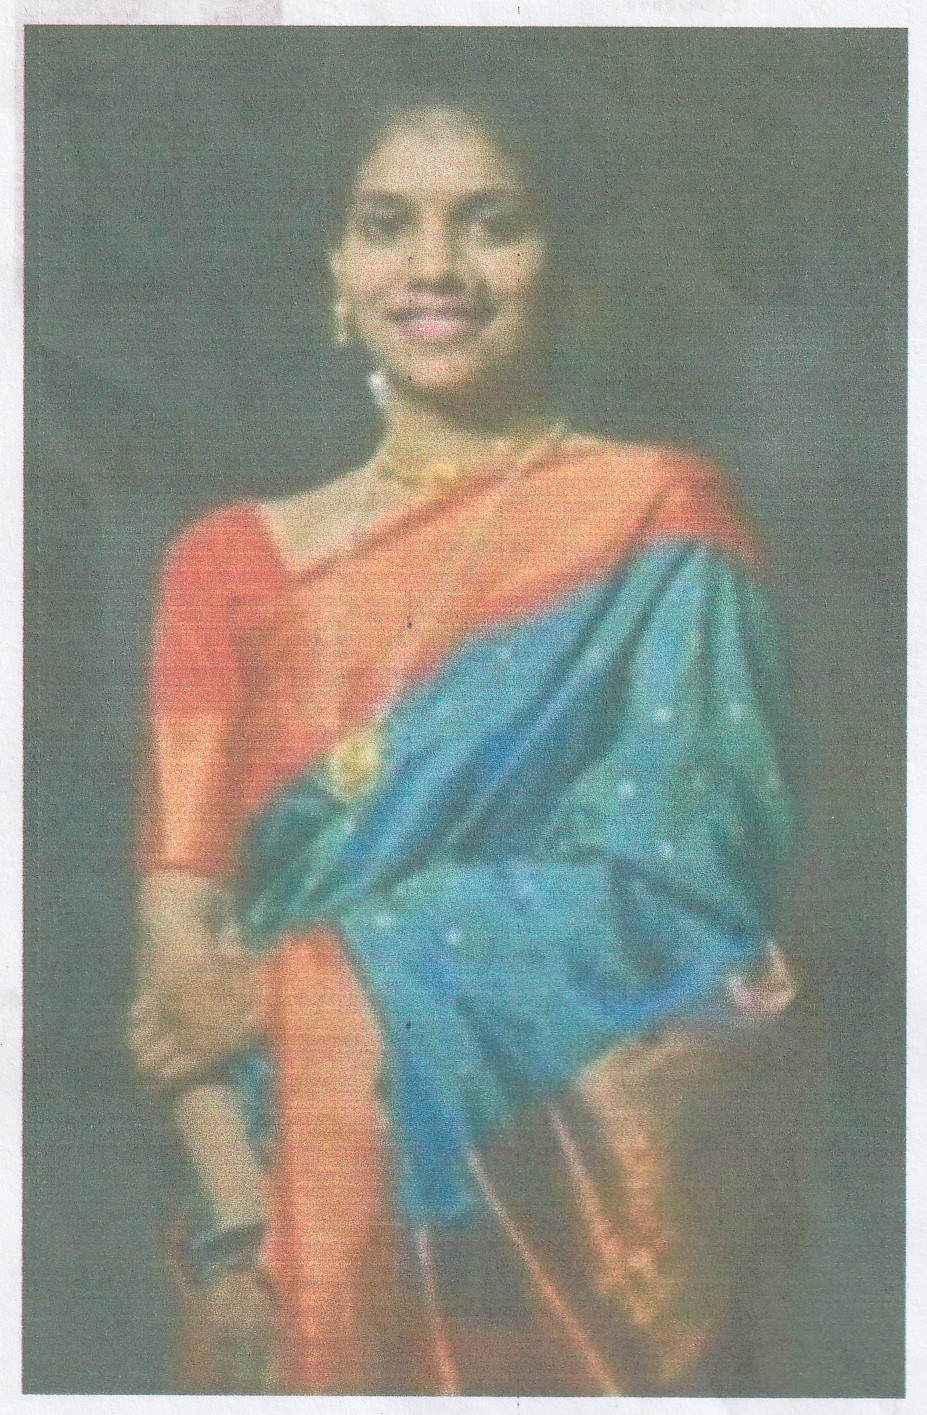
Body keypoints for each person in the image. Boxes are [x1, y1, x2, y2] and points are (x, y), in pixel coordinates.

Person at [129, 86, 802, 1396]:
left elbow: (695, 899)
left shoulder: (660, 519)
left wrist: (296, 985)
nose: (434, 267)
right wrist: (240, 1228)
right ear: (336, 270)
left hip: (546, 1216)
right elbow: (179, 945)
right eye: (387, 225)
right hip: (273, 1204)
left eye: (490, 224)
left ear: (564, 269)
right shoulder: (223, 561)